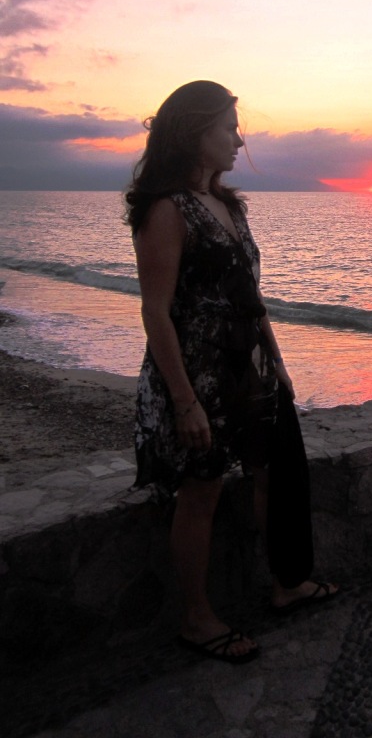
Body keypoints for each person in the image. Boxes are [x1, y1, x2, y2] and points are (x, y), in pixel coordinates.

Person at [124, 80, 337, 665]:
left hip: (251, 367)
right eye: (228, 127)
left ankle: (286, 582)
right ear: (195, 133)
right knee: (202, 491)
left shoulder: (230, 205)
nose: (239, 139)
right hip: (198, 374)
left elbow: (251, 297)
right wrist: (185, 400)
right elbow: (156, 312)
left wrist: (280, 363)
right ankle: (197, 619)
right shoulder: (167, 209)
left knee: (274, 472)